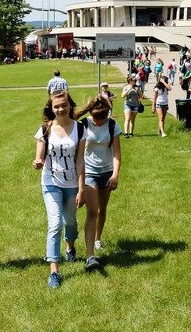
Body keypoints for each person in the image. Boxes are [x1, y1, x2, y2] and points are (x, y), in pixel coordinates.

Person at [33, 91, 85, 288]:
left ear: (70, 105)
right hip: (50, 182)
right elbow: (39, 156)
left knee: (70, 221)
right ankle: (54, 270)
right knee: (55, 224)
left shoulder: (80, 129)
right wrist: (38, 162)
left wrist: (81, 189)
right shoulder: (45, 129)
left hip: (72, 183)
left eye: (64, 105)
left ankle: (70, 246)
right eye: (56, 106)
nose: (61, 109)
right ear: (51, 108)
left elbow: (80, 162)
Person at [76, 96, 121, 270]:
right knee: (92, 211)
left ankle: (97, 239)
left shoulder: (112, 125)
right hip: (89, 172)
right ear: (91, 113)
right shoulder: (83, 125)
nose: (100, 121)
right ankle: (90, 254)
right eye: (96, 117)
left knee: (102, 209)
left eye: (103, 117)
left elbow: (116, 153)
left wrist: (115, 175)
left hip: (107, 172)